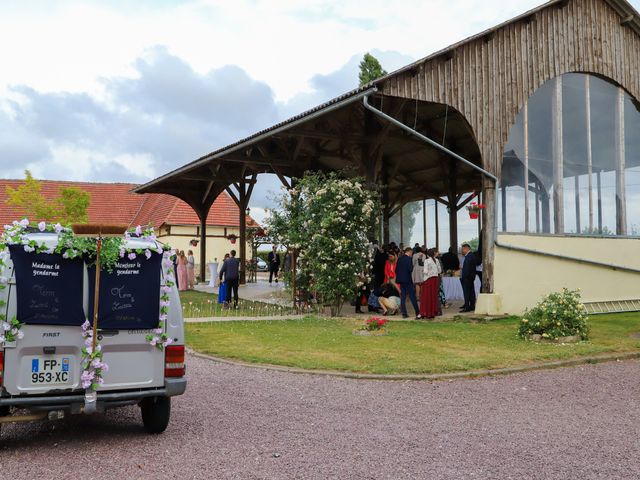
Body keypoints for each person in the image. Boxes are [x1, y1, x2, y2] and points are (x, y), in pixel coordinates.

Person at [396, 247, 421, 319]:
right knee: (412, 296)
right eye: (412, 253)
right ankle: (417, 313)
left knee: (403, 297)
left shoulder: (400, 259)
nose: (412, 254)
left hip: (401, 280)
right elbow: (410, 269)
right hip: (407, 280)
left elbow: (396, 270)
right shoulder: (409, 259)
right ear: (409, 251)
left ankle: (404, 313)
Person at [420, 248, 440, 319]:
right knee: (433, 296)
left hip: (428, 280)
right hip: (435, 279)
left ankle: (426, 312)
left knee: (426, 296)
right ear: (434, 253)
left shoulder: (427, 261)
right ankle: (432, 313)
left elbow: (425, 271)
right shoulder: (437, 260)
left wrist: (423, 271)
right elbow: (439, 270)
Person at [460, 243, 478, 312]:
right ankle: (472, 306)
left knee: (467, 293)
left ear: (466, 248)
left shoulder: (468, 256)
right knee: (471, 292)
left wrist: (464, 277)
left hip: (467, 278)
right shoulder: (471, 255)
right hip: (470, 277)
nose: (462, 251)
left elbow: (467, 269)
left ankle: (467, 307)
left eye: (463, 249)